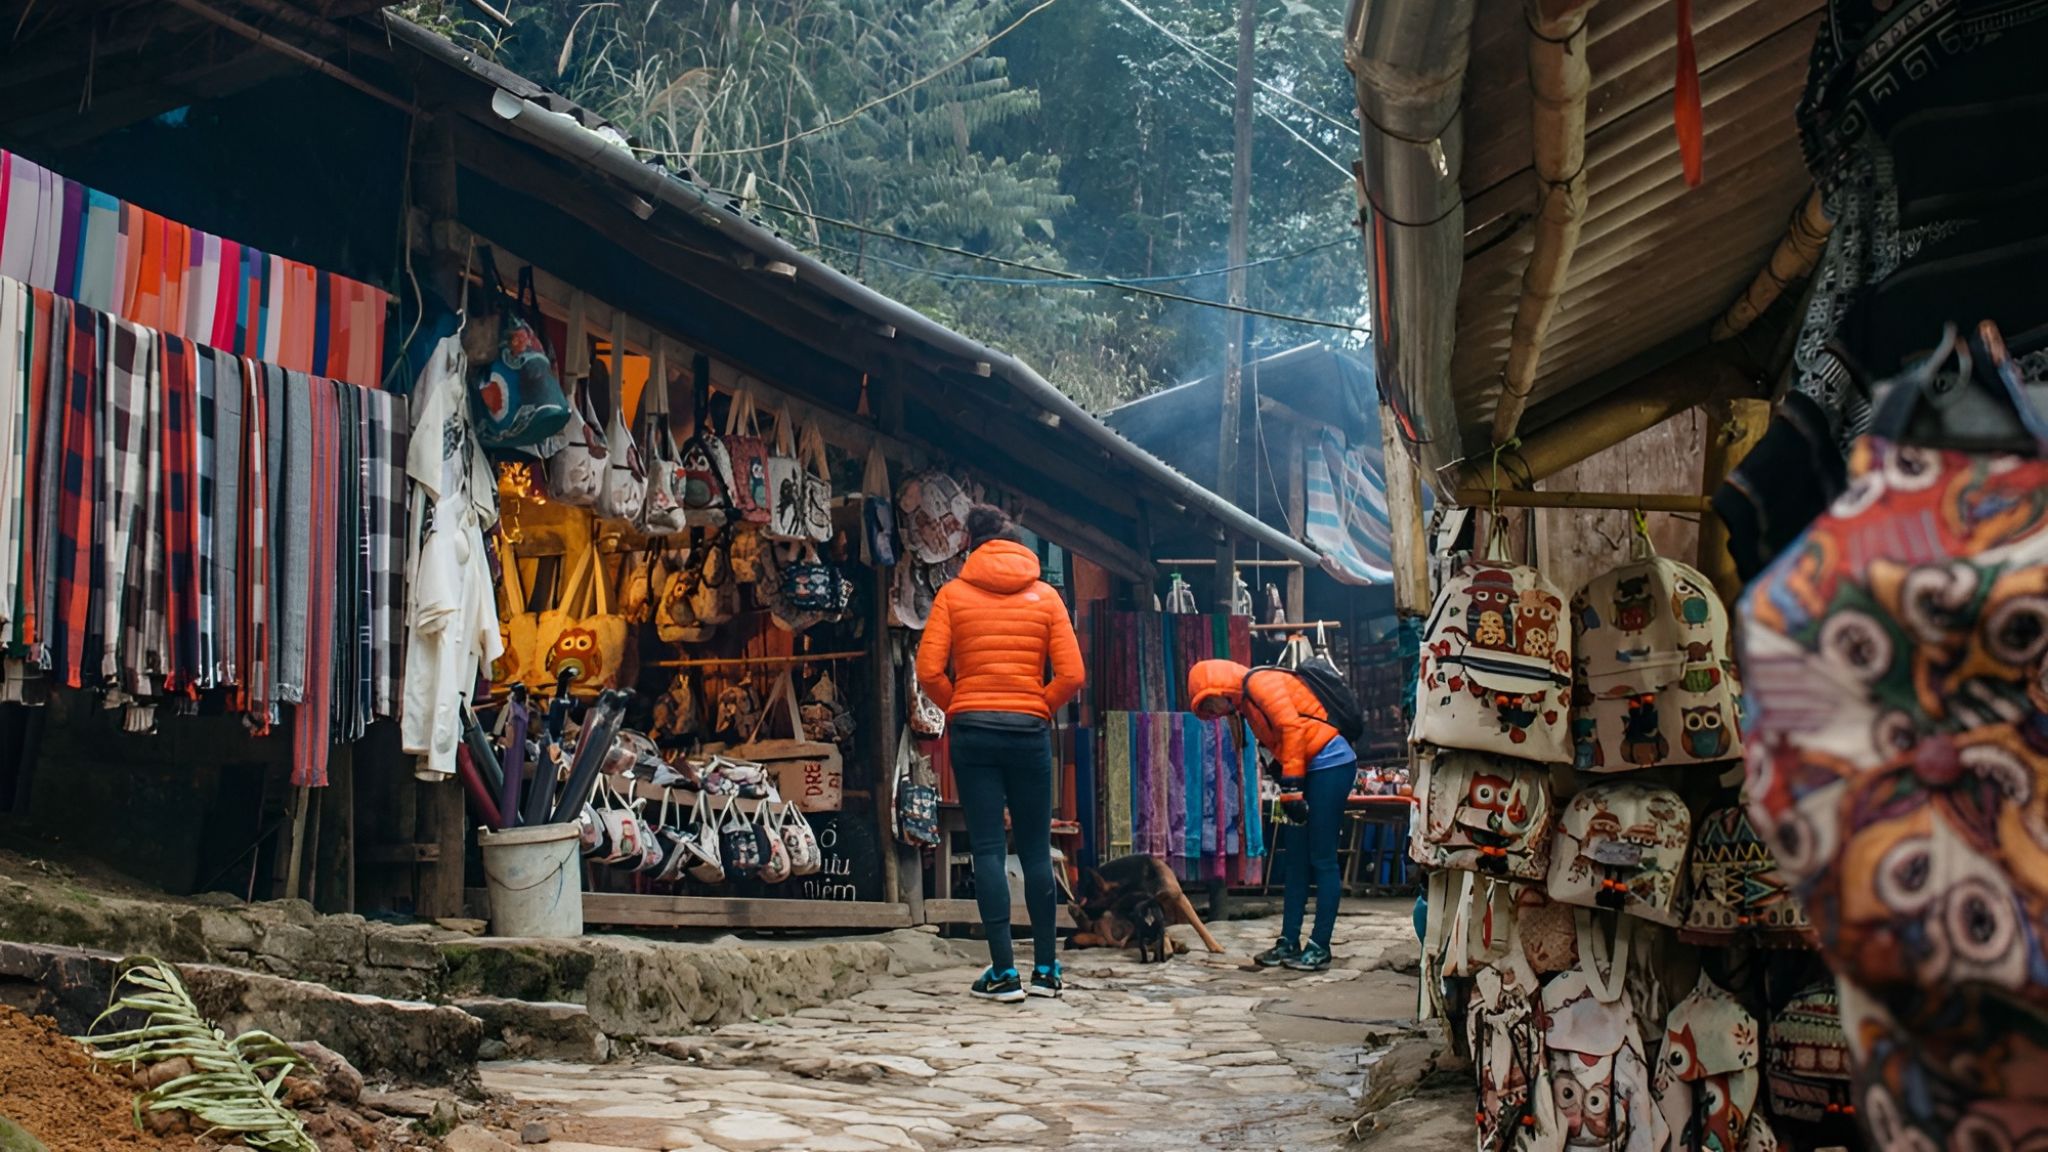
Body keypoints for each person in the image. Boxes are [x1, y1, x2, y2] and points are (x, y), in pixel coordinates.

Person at [917, 505, 1085, 1003]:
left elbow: (929, 672)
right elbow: (1072, 675)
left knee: (988, 847)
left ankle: (1003, 972)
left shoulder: (953, 594)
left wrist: (963, 705)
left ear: (970, 542)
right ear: (1017, 545)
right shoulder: (1047, 596)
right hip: (1030, 732)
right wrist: (1036, 706)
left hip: (974, 734)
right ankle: (1048, 971)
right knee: (1035, 848)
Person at [1187, 658, 1357, 971]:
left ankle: (1319, 946)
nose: (1211, 715)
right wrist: (1289, 786)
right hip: (1305, 772)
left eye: (1207, 705)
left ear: (1216, 688)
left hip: (1330, 764)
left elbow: (1291, 729)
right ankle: (1288, 942)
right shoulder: (1246, 704)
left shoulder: (1261, 684)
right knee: (1294, 861)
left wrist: (1291, 789)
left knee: (1321, 858)